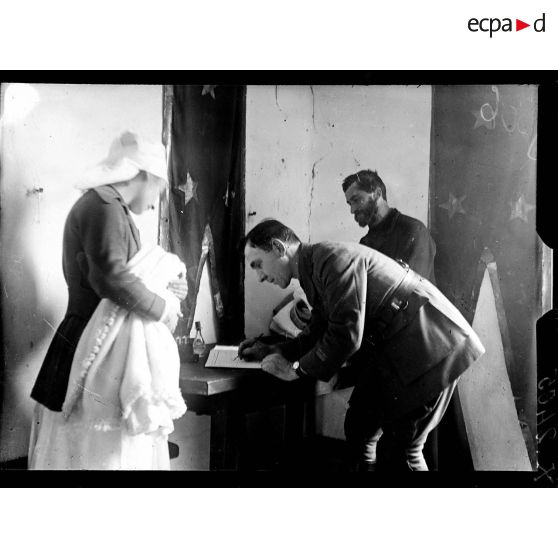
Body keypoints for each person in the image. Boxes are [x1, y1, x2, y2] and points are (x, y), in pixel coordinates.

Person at [239, 219, 485, 471]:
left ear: (278, 248)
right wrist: (273, 350)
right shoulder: (316, 265)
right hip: (411, 344)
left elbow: (345, 335)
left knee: (403, 450)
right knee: (360, 427)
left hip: (430, 342)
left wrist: (296, 370)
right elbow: (318, 331)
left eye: (258, 265)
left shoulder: (330, 259)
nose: (259, 277)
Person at [28, 131, 188, 470]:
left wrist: (169, 287)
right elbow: (111, 277)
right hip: (94, 342)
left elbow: (131, 275)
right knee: (98, 458)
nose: (156, 201)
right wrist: (162, 308)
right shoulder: (104, 206)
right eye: (160, 189)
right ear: (145, 175)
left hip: (103, 341)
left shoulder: (112, 209)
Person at [342, 169, 436, 282]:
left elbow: (414, 289)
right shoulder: (365, 243)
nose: (352, 210)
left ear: (377, 193)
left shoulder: (413, 230)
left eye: (356, 200)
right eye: (350, 204)